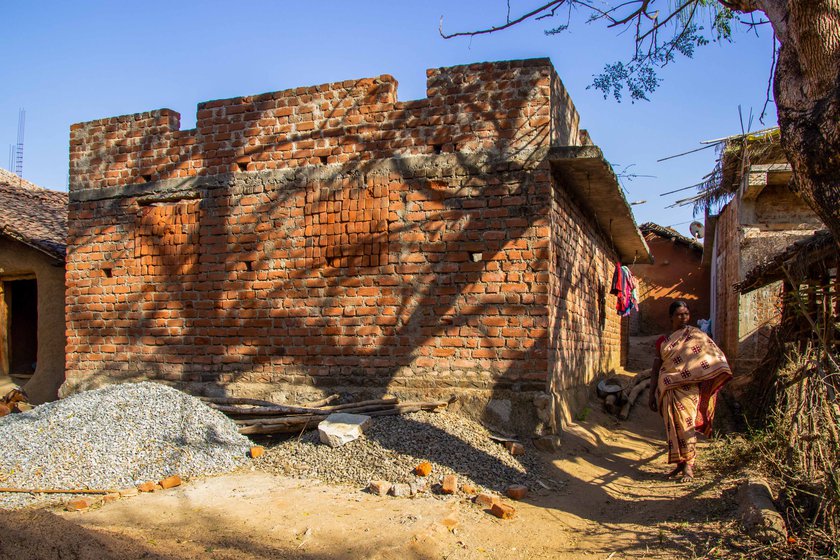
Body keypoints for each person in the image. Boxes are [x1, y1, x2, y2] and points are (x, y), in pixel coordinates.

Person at [648, 300, 732, 482]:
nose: (683, 317)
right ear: (671, 317)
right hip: (668, 389)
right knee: (672, 427)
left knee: (687, 426)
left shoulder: (697, 336)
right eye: (679, 314)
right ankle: (679, 464)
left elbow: (712, 356)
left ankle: (689, 466)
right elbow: (656, 368)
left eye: (686, 314)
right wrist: (651, 393)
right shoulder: (663, 341)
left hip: (689, 390)